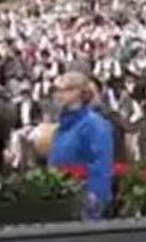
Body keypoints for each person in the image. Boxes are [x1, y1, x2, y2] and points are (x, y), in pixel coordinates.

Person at [48, 71, 114, 219]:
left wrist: (95, 201)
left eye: (64, 90)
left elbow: (101, 165)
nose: (58, 95)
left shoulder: (95, 125)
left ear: (78, 93)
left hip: (85, 205)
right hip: (63, 202)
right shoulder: (62, 127)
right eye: (57, 91)